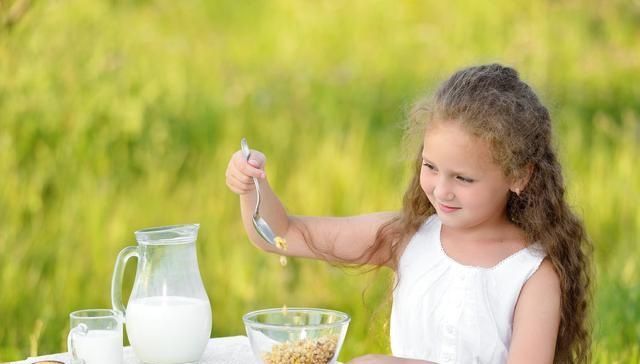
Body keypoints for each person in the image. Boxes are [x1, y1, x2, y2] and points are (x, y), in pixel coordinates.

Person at [225, 64, 592, 364]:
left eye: (463, 178)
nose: (441, 189)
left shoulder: (530, 274)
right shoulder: (407, 237)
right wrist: (252, 188)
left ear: (518, 176)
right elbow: (284, 235)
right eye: (431, 166)